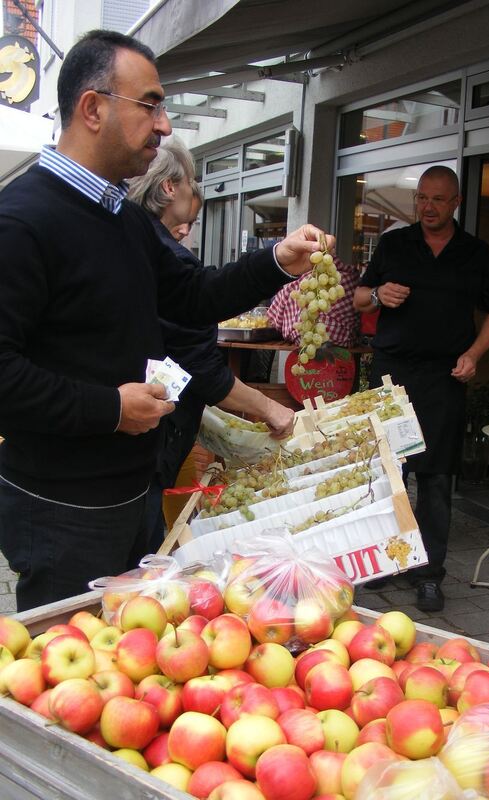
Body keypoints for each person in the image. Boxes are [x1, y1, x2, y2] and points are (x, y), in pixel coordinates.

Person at [0, 29, 333, 611]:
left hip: (134, 494)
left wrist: (278, 260)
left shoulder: (123, 218)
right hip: (62, 509)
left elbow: (193, 296)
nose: (165, 126)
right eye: (150, 104)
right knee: (61, 677)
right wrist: (109, 408)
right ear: (93, 108)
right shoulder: (22, 221)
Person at [127, 138, 294, 548]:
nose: (196, 190)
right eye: (193, 180)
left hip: (136, 433)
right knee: (134, 559)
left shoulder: (136, 244)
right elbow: (199, 367)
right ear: (169, 188)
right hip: (142, 439)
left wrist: (277, 261)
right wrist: (270, 407)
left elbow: (205, 296)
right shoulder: (160, 254)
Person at [353, 165, 489, 612]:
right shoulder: (394, 243)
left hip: (444, 379)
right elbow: (360, 297)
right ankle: (383, 561)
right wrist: (379, 295)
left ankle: (428, 573)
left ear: (455, 202)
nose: (427, 207)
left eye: (438, 199)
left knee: (435, 479)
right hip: (392, 376)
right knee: (387, 473)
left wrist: (474, 355)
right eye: (422, 198)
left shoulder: (476, 253)